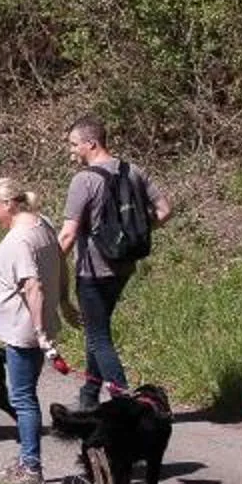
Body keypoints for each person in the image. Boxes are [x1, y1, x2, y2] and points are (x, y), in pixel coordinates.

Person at [55, 117, 170, 412]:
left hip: (93, 270)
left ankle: (127, 405)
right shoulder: (133, 171)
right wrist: (134, 234)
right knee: (98, 326)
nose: (71, 151)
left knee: (98, 336)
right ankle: (90, 395)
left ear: (90, 143)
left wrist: (47, 265)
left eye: (73, 144)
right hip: (124, 266)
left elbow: (68, 233)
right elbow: (164, 211)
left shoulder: (84, 180)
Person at [0, 176, 66, 484]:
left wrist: (40, 331)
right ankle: (26, 461)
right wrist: (66, 301)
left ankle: (31, 467)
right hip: (29, 326)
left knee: (22, 399)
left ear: (8, 204)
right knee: (24, 395)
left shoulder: (18, 240)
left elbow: (33, 286)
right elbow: (60, 261)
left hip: (23, 332)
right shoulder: (42, 224)